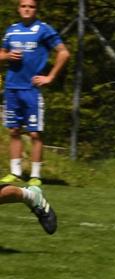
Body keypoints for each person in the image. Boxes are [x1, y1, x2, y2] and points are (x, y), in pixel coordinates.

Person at [0, 0, 69, 187]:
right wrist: (6, 56)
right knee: (14, 130)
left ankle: (35, 175)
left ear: (36, 9)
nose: (27, 9)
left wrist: (50, 77)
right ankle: (15, 173)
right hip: (12, 87)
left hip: (31, 89)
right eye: (24, 6)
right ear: (19, 8)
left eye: (31, 6)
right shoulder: (12, 30)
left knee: (35, 133)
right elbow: (1, 53)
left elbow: (63, 53)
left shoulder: (43, 29)